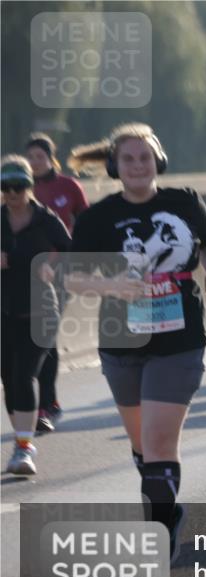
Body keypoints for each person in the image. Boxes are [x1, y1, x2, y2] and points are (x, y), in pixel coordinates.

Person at [66, 123, 206, 560]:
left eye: (145, 157)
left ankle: (157, 529)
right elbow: (74, 277)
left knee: (157, 442)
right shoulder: (97, 217)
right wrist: (112, 288)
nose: (138, 165)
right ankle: (168, 508)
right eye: (129, 158)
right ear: (115, 165)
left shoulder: (184, 201)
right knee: (142, 447)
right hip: (122, 342)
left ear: (159, 161)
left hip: (180, 338)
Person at [2, 156, 71, 475]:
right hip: (5, 312)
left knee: (23, 376)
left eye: (18, 186)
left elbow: (73, 254)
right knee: (8, 381)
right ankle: (22, 440)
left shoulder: (46, 220)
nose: (12, 193)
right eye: (5, 187)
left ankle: (24, 449)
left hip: (41, 312)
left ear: (30, 186)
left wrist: (51, 266)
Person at [25, 132, 89, 433]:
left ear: (51, 158)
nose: (34, 162)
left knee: (46, 333)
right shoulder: (19, 190)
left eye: (40, 156)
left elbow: (86, 223)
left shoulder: (68, 187)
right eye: (30, 157)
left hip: (60, 270)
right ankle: (37, 402)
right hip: (24, 273)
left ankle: (47, 403)